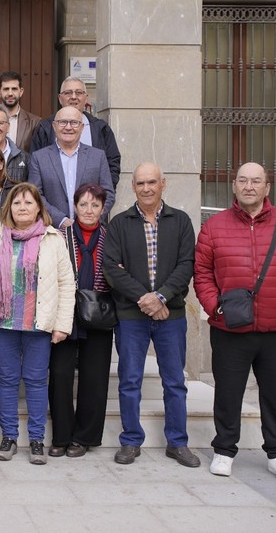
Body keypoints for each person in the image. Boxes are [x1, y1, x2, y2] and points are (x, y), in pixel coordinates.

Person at [194, 162, 276, 484]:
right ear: (234, 186)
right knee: (228, 393)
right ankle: (224, 450)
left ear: (267, 188)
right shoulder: (214, 226)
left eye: (256, 181)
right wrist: (214, 306)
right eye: (243, 180)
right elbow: (202, 272)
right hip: (230, 327)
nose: (249, 186)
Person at [103, 162, 199, 468]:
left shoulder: (181, 221)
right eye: (140, 183)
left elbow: (186, 265)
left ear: (163, 184)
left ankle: (177, 442)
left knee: (174, 381)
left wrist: (160, 297)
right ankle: (131, 440)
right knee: (129, 380)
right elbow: (112, 269)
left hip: (171, 315)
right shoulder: (119, 223)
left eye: (152, 182)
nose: (146, 188)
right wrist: (144, 298)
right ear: (133, 187)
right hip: (132, 316)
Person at [0, 183, 74, 465]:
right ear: (9, 208)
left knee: (35, 381)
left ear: (38, 208)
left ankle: (36, 440)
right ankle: (8, 437)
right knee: (6, 380)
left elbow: (66, 284)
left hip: (38, 323)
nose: (22, 208)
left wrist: (62, 324)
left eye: (28, 203)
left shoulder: (53, 239)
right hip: (3, 322)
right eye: (17, 203)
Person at [48, 183, 114, 458]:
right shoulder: (59, 236)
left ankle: (84, 437)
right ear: (74, 207)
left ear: (102, 208)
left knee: (94, 377)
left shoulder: (111, 236)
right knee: (60, 375)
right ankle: (62, 436)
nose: (89, 210)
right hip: (65, 312)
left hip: (98, 312)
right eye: (83, 204)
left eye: (95, 205)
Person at [28, 106, 114, 230]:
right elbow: (35, 194)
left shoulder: (98, 156)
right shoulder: (39, 157)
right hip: (51, 231)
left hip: (90, 232)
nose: (68, 127)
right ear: (54, 126)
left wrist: (89, 219)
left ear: (82, 127)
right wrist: (60, 220)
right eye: (63, 122)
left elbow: (108, 193)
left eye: (74, 122)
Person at [30, 77, 121, 188]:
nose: (73, 97)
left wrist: (101, 196)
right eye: (68, 93)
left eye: (78, 93)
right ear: (60, 98)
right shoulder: (45, 128)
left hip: (92, 201)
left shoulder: (101, 129)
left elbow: (113, 164)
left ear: (86, 98)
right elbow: (35, 165)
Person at [0, 71, 41, 152]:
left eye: (14, 89)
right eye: (6, 89)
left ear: (21, 91)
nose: (10, 93)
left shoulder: (35, 122)